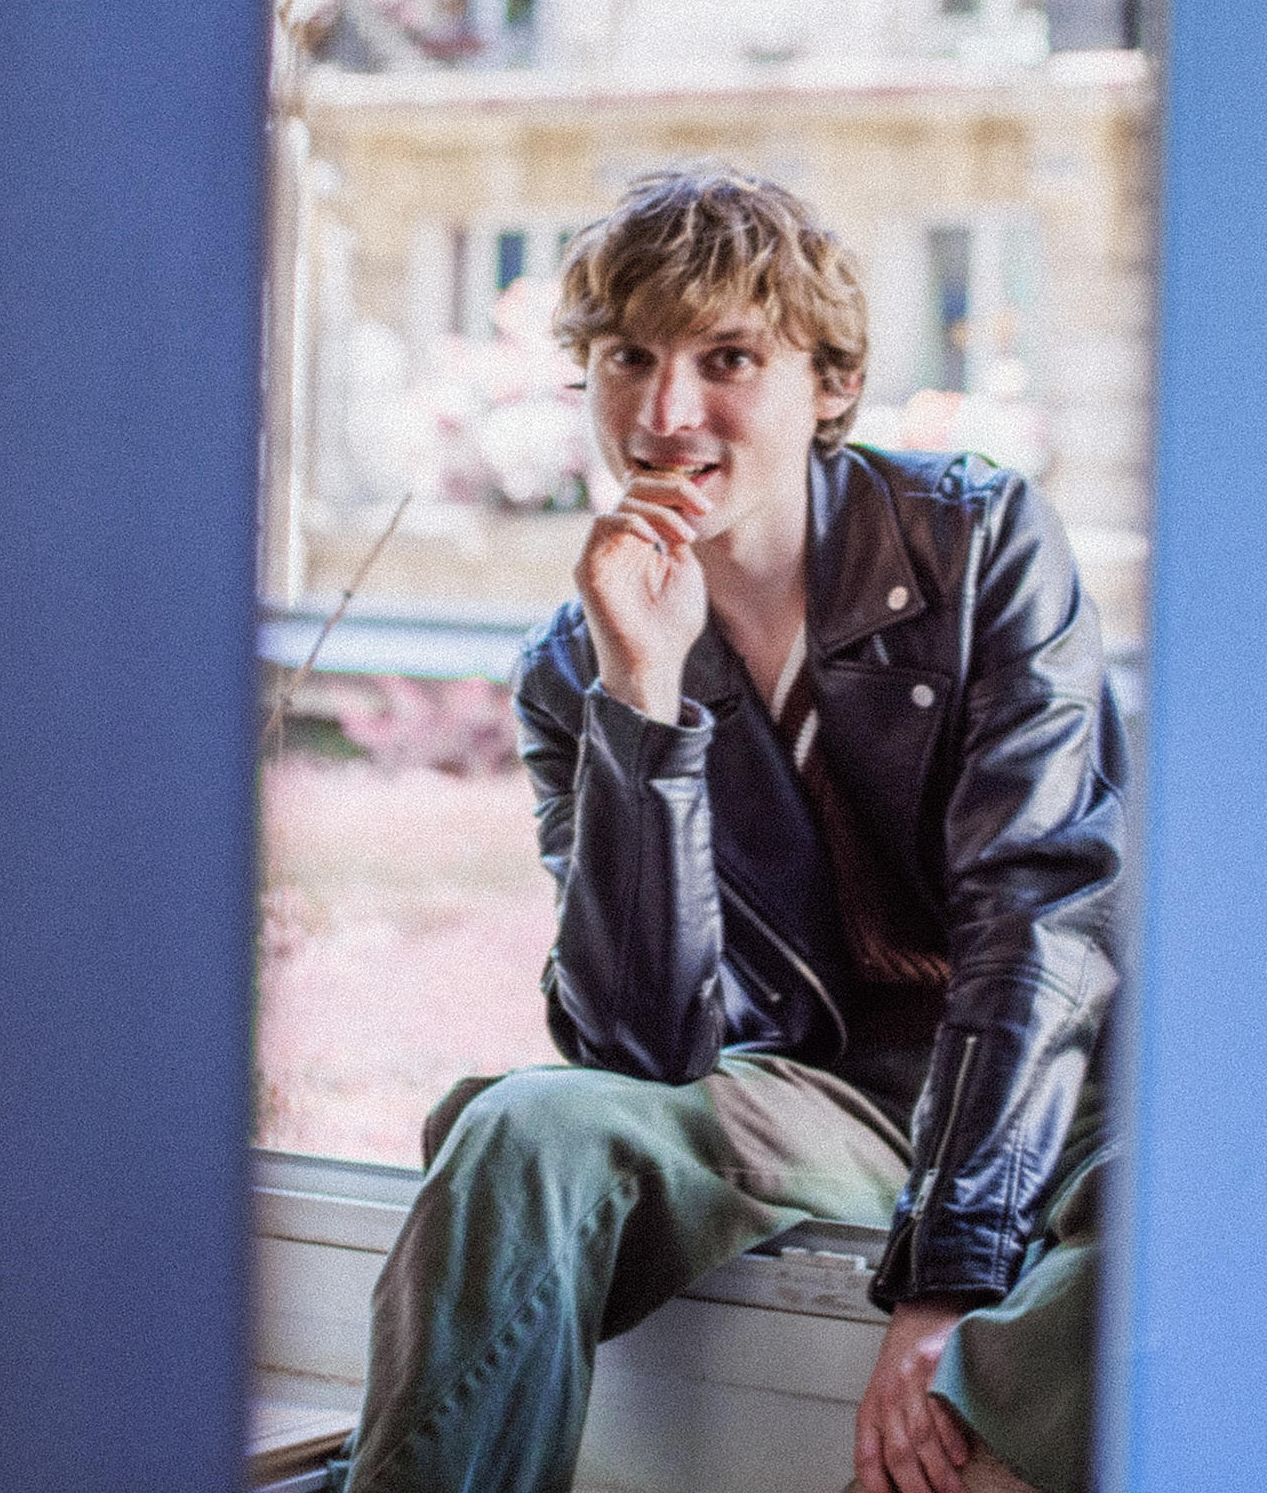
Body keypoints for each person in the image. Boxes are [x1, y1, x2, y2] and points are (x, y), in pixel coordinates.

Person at [332, 168, 1122, 1493]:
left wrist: (947, 1280)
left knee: (1170, 1258)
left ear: (831, 384)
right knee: (524, 1132)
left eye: (728, 358)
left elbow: (1039, 915)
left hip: (1069, 1084)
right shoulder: (575, 666)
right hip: (834, 1097)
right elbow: (638, 1049)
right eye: (627, 358)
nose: (665, 412)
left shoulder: (978, 544)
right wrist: (644, 698)